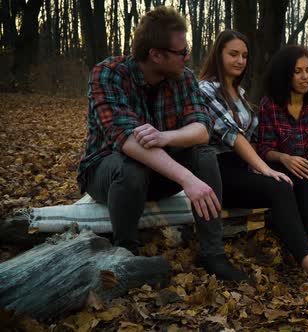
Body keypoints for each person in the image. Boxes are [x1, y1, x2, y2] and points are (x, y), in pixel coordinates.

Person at [77, 7, 247, 281]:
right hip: (105, 173)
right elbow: (128, 141)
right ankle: (125, 253)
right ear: (156, 54)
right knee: (131, 166)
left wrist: (166, 136)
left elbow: (202, 129)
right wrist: (186, 179)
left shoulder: (184, 78)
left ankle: (213, 253)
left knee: (203, 153)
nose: (187, 56)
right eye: (181, 52)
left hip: (158, 174)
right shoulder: (108, 74)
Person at [198, 32, 308, 307]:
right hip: (218, 170)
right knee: (280, 184)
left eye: (244, 55)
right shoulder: (206, 89)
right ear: (218, 55)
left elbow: (255, 140)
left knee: (302, 170)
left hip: (245, 166)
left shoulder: (238, 93)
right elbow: (234, 136)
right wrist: (267, 167)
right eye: (233, 54)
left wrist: (279, 167)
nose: (240, 60)